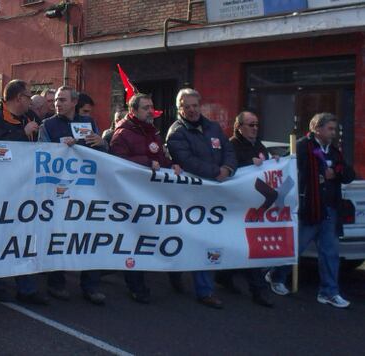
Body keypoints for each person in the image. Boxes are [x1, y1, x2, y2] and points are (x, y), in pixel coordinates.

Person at [266, 113, 355, 308]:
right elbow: (285, 168)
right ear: (317, 128)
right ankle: (276, 275)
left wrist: (336, 173)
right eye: (330, 129)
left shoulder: (334, 151)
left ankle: (329, 292)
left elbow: (349, 174)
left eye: (335, 129)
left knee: (330, 253)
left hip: (329, 209)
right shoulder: (302, 146)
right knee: (295, 248)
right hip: (309, 208)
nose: (334, 133)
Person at [166, 88, 237, 309]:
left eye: (195, 105)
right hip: (191, 197)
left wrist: (227, 168)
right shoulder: (176, 132)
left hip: (214, 197)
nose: (192, 110)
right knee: (194, 240)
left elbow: (229, 150)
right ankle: (188, 279)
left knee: (208, 240)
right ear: (180, 108)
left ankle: (203, 287)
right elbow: (186, 161)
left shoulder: (213, 127)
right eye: (186, 106)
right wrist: (215, 172)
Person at [109, 93, 182, 304]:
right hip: (131, 197)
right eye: (145, 108)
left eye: (151, 107)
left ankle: (173, 276)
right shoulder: (122, 134)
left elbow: (159, 158)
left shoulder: (152, 133)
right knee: (134, 240)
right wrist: (145, 162)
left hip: (152, 196)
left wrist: (171, 165)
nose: (151, 111)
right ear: (133, 111)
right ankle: (136, 285)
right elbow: (117, 162)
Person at [0, 79, 49, 305]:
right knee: (1, 237)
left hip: (28, 187)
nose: (30, 100)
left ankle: (27, 289)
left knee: (26, 237)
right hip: (2, 190)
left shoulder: (32, 118)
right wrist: (22, 133)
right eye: (29, 96)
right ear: (19, 98)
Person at [38, 86, 106, 305]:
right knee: (58, 237)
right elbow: (41, 154)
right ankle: (56, 284)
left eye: (63, 100)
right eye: (56, 100)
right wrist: (61, 148)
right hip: (59, 192)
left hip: (85, 191)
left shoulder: (89, 124)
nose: (58, 103)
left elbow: (102, 154)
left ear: (74, 102)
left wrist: (102, 143)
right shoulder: (48, 125)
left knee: (88, 238)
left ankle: (90, 286)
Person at [210, 111, 274, 307]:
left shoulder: (259, 145)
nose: (255, 128)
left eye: (256, 124)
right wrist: (249, 164)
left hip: (253, 205)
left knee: (243, 245)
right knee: (247, 247)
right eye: (250, 125)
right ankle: (258, 291)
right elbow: (230, 168)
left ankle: (224, 276)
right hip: (237, 205)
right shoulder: (232, 145)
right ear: (239, 127)